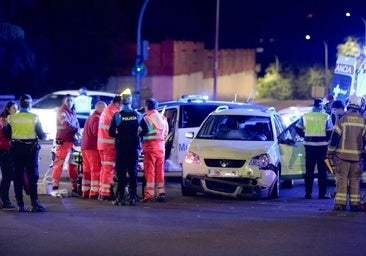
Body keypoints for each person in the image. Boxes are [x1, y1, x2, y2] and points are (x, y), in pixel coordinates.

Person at [5, 94, 47, 212]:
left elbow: (7, 135)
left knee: (17, 176)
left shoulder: (12, 118)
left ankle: (20, 204)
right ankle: (34, 204)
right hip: (30, 150)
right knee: (32, 176)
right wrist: (44, 135)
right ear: (30, 104)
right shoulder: (34, 117)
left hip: (16, 149)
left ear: (20, 104)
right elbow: (41, 135)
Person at [327, 95, 366, 212]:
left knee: (341, 180)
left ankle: (340, 204)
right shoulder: (364, 122)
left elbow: (334, 139)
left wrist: (329, 153)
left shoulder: (342, 120)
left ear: (348, 105)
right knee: (355, 180)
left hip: (342, 157)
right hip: (357, 158)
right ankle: (355, 204)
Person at [109, 89, 144, 206]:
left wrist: (120, 136)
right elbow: (147, 130)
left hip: (122, 148)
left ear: (121, 102)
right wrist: (137, 136)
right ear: (131, 101)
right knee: (133, 174)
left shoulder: (117, 116)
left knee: (121, 174)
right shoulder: (138, 115)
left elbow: (110, 132)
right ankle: (133, 198)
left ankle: (120, 197)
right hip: (134, 148)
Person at [295, 98, 333, 199]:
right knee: (322, 171)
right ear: (321, 106)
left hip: (309, 147)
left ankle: (308, 193)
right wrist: (326, 139)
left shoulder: (306, 116)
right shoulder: (326, 116)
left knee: (309, 171)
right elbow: (330, 132)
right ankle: (322, 194)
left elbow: (297, 128)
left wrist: (305, 135)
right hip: (322, 147)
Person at [140, 98, 169, 203]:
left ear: (146, 107)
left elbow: (141, 133)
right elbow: (165, 134)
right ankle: (161, 193)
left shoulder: (147, 119)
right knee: (160, 171)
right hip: (161, 148)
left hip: (150, 148)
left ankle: (149, 194)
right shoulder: (163, 118)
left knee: (150, 172)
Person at [52, 94, 80, 195]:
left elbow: (75, 124)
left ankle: (74, 185)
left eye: (71, 100)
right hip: (63, 141)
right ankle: (55, 184)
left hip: (72, 141)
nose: (70, 102)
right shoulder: (62, 111)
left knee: (73, 164)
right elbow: (66, 125)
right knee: (59, 163)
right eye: (68, 100)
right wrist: (77, 129)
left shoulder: (72, 112)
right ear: (64, 101)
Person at [97, 95, 123, 200]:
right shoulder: (113, 113)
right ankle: (105, 193)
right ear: (118, 103)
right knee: (109, 169)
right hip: (109, 145)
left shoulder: (105, 111)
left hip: (102, 145)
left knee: (104, 169)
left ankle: (102, 191)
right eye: (121, 105)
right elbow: (117, 130)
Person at [81, 101, 107, 199]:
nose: (105, 111)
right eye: (105, 108)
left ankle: (85, 191)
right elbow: (97, 133)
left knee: (87, 171)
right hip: (92, 148)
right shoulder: (97, 119)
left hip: (85, 147)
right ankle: (94, 192)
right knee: (95, 170)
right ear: (101, 108)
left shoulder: (90, 117)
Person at [0, 101, 18, 210]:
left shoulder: (8, 119)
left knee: (8, 175)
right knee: (8, 175)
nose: (16, 111)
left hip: (6, 150)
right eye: (14, 109)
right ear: (8, 109)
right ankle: (5, 201)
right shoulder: (4, 120)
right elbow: (5, 135)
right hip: (3, 150)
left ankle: (4, 199)